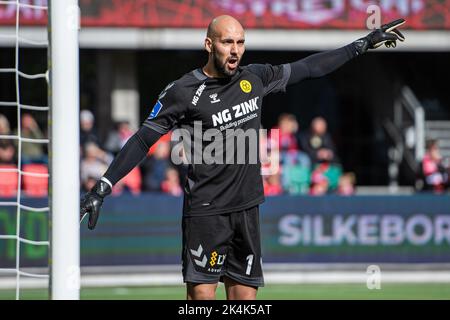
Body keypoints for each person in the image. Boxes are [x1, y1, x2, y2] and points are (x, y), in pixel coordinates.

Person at [80, 15, 406, 300]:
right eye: (227, 42)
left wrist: (360, 45)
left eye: (240, 42)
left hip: (247, 208)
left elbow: (309, 68)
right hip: (206, 212)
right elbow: (142, 139)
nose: (235, 50)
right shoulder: (182, 91)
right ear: (209, 44)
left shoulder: (256, 77)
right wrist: (104, 185)